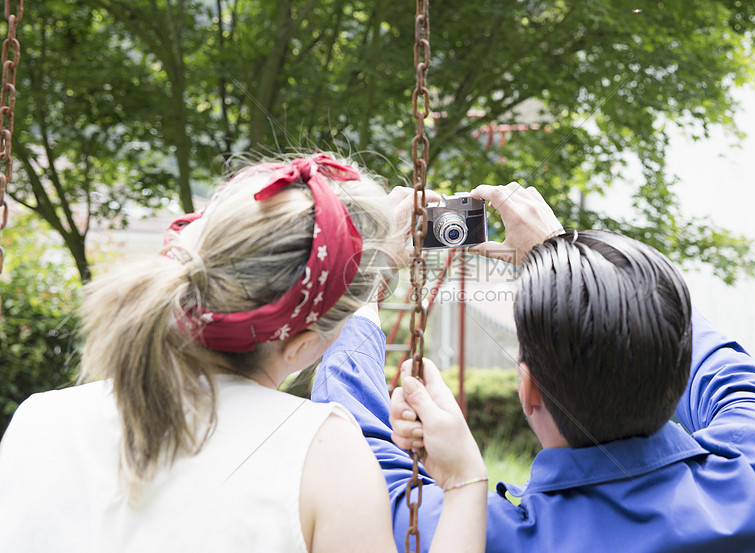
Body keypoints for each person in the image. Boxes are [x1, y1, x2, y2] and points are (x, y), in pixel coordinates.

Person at [311, 181, 755, 552]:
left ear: (529, 389)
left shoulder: (473, 535)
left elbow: (357, 446)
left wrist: (368, 274)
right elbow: (712, 358)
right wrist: (565, 259)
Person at [0, 154, 487, 553]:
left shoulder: (38, 420)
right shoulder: (324, 454)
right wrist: (464, 483)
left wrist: (351, 281)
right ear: (303, 347)